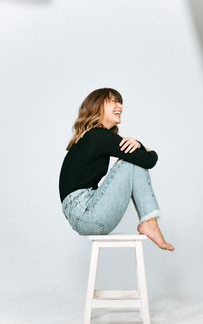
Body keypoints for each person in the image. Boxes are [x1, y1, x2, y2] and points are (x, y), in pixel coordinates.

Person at [59, 87, 175, 251]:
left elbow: (144, 159)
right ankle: (150, 222)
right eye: (113, 101)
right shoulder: (98, 135)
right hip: (86, 214)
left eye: (120, 102)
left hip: (83, 214)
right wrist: (140, 145)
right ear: (97, 105)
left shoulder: (94, 136)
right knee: (131, 162)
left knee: (132, 160)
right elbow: (148, 160)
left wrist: (139, 146)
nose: (119, 106)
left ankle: (149, 223)